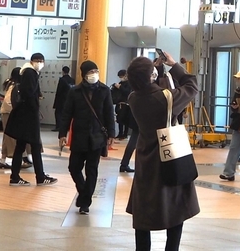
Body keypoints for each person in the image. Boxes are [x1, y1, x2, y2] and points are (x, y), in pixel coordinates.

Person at [125, 52, 198, 251]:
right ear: (150, 77)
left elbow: (155, 92)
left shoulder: (133, 98)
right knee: (175, 208)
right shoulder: (166, 99)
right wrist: (173, 65)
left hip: (145, 157)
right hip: (169, 156)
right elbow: (192, 86)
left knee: (143, 208)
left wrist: (155, 70)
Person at [61, 61, 115, 214]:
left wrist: (111, 133)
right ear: (84, 74)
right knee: (73, 167)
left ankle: (85, 202)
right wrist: (62, 134)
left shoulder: (104, 90)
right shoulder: (75, 91)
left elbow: (109, 113)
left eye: (96, 70)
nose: (94, 74)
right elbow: (67, 114)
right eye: (91, 71)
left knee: (92, 170)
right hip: (79, 136)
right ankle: (84, 192)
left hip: (97, 137)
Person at [4, 52, 57, 186]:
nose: (40, 63)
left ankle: (15, 177)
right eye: (37, 60)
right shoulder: (30, 72)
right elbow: (29, 94)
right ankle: (40, 177)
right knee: (35, 146)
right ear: (32, 61)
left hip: (24, 115)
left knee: (21, 146)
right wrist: (35, 110)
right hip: (28, 117)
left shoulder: (26, 72)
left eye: (41, 60)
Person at [0, 64, 22, 171]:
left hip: (7, 113)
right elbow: (8, 101)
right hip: (9, 113)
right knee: (10, 137)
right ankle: (16, 159)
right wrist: (16, 110)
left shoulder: (11, 84)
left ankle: (2, 160)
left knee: (7, 137)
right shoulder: (13, 86)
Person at [54, 64, 74, 144]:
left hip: (61, 100)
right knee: (66, 114)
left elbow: (59, 91)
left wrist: (55, 102)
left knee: (58, 113)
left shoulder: (62, 80)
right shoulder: (72, 79)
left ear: (63, 71)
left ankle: (58, 126)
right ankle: (67, 127)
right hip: (69, 99)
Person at [112, 69, 131, 140]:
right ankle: (120, 133)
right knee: (119, 119)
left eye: (122, 76)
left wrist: (120, 87)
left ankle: (125, 134)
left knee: (125, 120)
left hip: (126, 104)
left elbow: (127, 92)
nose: (121, 78)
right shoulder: (120, 83)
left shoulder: (129, 83)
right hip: (119, 103)